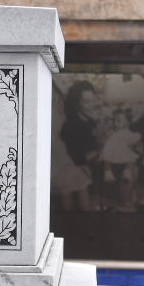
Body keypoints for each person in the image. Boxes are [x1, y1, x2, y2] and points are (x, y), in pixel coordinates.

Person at [58, 81, 101, 210]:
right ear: (77, 104)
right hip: (76, 168)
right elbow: (73, 157)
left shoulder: (91, 122)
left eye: (93, 100)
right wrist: (101, 148)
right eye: (87, 102)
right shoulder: (70, 126)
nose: (92, 105)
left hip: (94, 165)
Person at [100, 109, 142, 210]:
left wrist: (133, 143)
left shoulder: (127, 133)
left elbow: (135, 141)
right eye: (114, 120)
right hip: (113, 155)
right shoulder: (112, 133)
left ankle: (127, 172)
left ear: (127, 123)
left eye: (118, 121)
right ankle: (108, 172)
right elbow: (105, 144)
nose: (115, 123)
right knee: (106, 158)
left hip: (124, 155)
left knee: (131, 158)